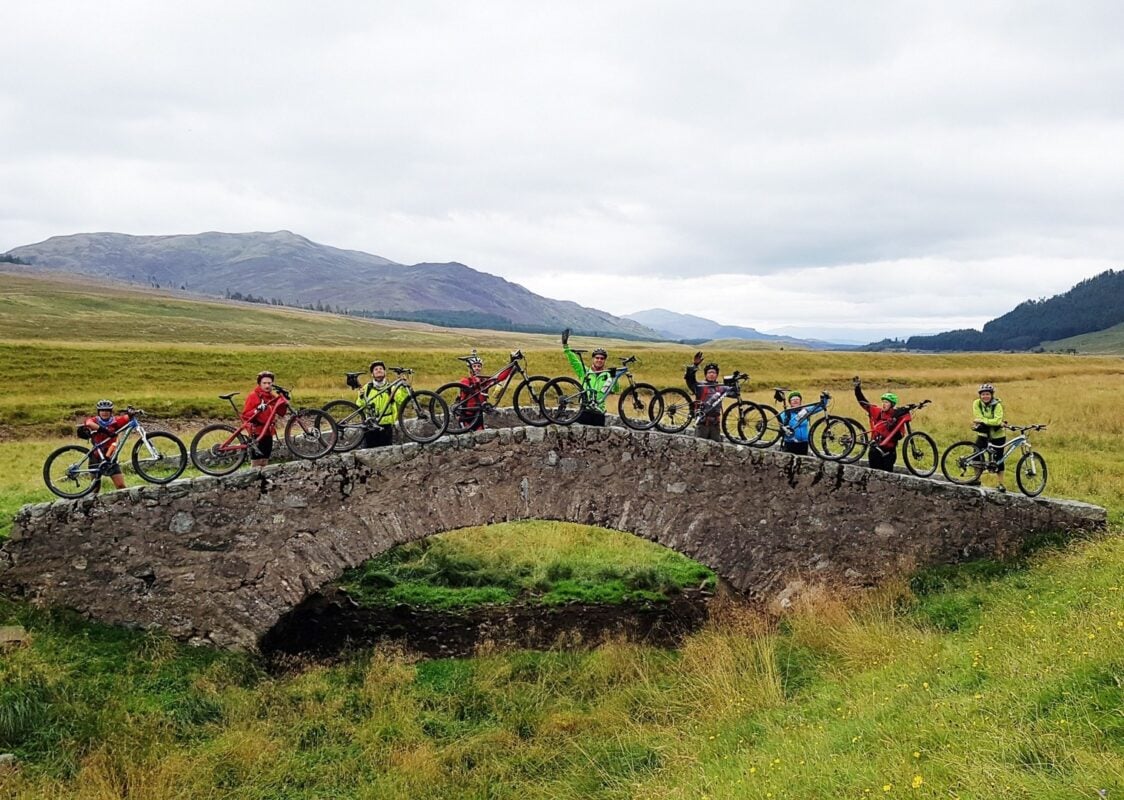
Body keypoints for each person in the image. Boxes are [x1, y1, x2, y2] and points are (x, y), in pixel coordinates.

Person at [561, 328, 617, 426]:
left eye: (602, 358)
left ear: (605, 360)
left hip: (599, 412)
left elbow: (615, 389)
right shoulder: (585, 372)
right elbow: (574, 361)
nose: (599, 360)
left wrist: (614, 377)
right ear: (593, 359)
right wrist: (565, 346)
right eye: (597, 358)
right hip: (584, 411)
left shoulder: (608, 375)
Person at [853, 376, 909, 472]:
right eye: (883, 402)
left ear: (892, 404)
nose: (883, 404)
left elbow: (900, 436)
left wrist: (892, 423)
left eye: (886, 402)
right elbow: (864, 403)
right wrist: (857, 389)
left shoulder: (898, 417)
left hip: (889, 453)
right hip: (875, 450)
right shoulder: (878, 412)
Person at [454, 350, 514, 431]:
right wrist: (476, 381)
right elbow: (464, 391)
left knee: (481, 437)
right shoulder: (465, 380)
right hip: (465, 415)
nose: (477, 368)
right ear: (470, 368)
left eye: (479, 366)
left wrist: (511, 365)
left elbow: (499, 378)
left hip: (478, 414)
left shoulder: (484, 381)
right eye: (474, 366)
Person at [83, 399, 133, 491]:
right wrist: (106, 431)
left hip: (110, 457)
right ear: (98, 412)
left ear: (111, 412)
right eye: (102, 410)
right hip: (96, 456)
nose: (104, 413)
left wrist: (132, 413)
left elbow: (127, 418)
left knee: (121, 486)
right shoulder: (94, 420)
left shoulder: (115, 421)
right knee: (95, 489)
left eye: (107, 410)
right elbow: (89, 423)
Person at [683, 352, 734, 441]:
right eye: (709, 372)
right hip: (702, 425)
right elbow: (689, 379)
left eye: (714, 372)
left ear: (717, 375)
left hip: (715, 425)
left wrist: (736, 380)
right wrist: (694, 365)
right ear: (706, 374)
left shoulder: (721, 388)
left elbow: (734, 392)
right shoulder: (699, 386)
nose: (711, 374)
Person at [242, 370, 288, 467]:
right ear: (259, 384)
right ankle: (253, 480)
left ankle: (262, 481)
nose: (267, 386)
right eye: (264, 383)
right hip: (256, 432)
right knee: (256, 462)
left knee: (265, 461)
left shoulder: (272, 397)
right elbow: (245, 415)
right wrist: (257, 409)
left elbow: (282, 412)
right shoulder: (253, 396)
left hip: (268, 432)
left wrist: (283, 399)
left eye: (269, 383)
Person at [358, 360, 408, 448]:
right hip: (370, 425)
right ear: (372, 374)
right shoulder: (367, 388)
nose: (378, 370)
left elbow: (403, 401)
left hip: (387, 426)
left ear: (385, 372)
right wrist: (361, 397)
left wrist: (404, 387)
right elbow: (359, 406)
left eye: (381, 369)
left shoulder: (391, 388)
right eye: (375, 369)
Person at [972, 382, 1007, 491]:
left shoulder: (997, 405)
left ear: (992, 395)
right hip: (982, 434)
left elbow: (996, 420)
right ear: (980, 395)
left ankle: (1001, 484)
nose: (985, 396)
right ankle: (976, 479)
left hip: (998, 436)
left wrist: (983, 421)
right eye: (983, 394)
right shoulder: (976, 403)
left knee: (999, 460)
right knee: (976, 456)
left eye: (987, 394)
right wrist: (993, 422)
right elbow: (978, 416)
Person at [778, 391, 816, 455]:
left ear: (800, 401)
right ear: (790, 402)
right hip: (789, 443)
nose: (795, 401)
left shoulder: (805, 412)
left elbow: (818, 407)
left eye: (797, 399)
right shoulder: (786, 413)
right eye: (793, 399)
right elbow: (779, 426)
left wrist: (825, 400)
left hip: (804, 444)